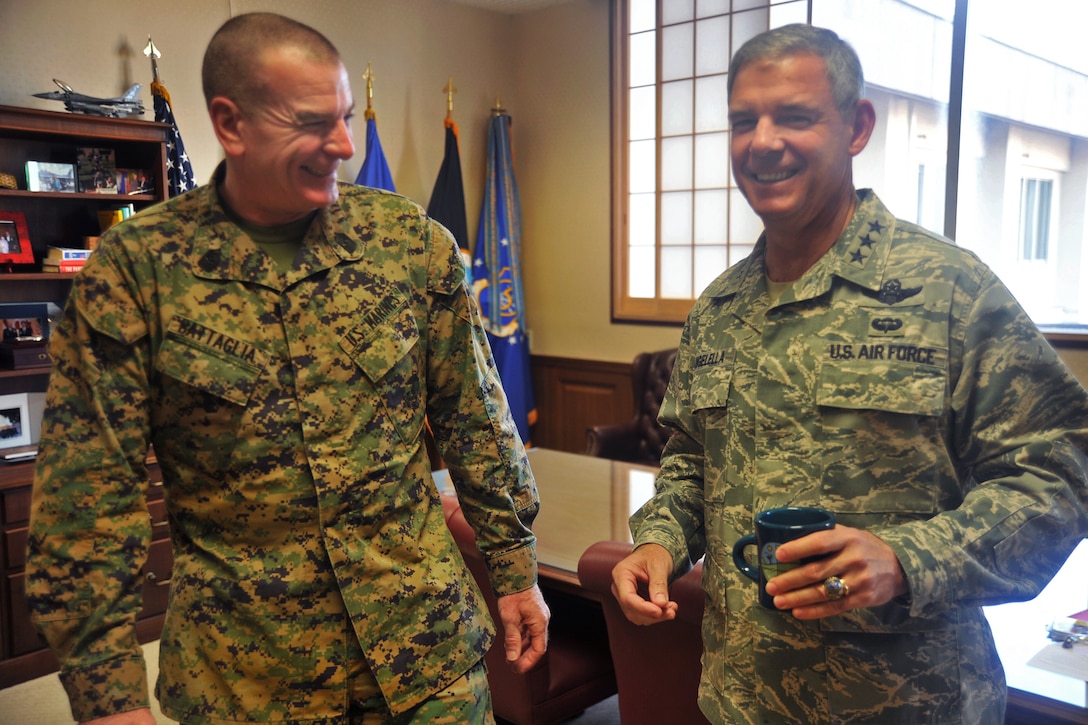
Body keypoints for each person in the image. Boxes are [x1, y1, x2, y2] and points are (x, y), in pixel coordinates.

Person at [26, 12, 549, 725]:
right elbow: (86, 508)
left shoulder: (408, 245)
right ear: (230, 124)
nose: (344, 143)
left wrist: (515, 569)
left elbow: (478, 423)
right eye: (314, 121)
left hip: (427, 661)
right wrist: (108, 698)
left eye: (343, 117)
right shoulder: (136, 273)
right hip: (249, 681)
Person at [611, 23, 1088, 724]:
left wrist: (907, 557)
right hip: (742, 698)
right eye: (744, 122)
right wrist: (660, 540)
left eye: (795, 117)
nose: (762, 142)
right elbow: (689, 460)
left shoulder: (948, 289)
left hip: (906, 703)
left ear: (856, 126)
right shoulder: (718, 307)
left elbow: (1062, 473)